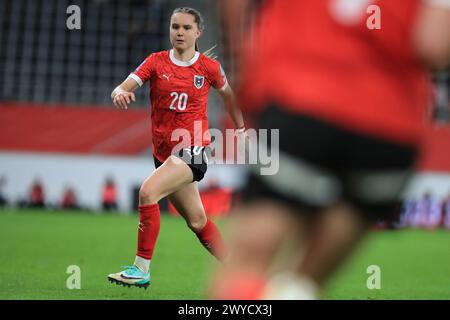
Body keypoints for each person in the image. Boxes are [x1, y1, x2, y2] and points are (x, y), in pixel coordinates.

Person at [213, 0, 450, 299]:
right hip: (388, 126)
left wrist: (242, 62)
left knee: (246, 268)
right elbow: (434, 45)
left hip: (300, 101)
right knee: (301, 284)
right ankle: (296, 289)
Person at [107, 7, 246, 289]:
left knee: (148, 192)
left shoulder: (208, 68)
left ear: (198, 32)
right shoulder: (156, 62)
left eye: (185, 28)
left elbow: (230, 97)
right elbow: (124, 86)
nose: (179, 32)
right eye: (175, 27)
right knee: (197, 221)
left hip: (192, 150)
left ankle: (140, 269)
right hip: (164, 155)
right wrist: (120, 92)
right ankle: (242, 271)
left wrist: (241, 128)